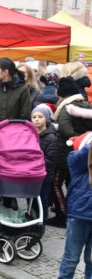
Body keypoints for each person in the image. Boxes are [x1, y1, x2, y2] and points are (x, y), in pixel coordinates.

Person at [56, 132, 92, 279]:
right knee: (71, 256)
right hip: (79, 214)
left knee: (91, 259)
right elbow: (77, 158)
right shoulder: (76, 160)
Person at [51, 76, 92, 226]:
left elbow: (65, 130)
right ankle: (73, 212)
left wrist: (76, 140)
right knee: (73, 183)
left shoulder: (66, 107)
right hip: (84, 152)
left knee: (55, 183)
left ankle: (63, 215)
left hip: (65, 151)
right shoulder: (86, 104)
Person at [0, 57, 32, 136]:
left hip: (15, 137)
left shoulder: (23, 90)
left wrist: (11, 133)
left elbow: (25, 117)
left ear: (5, 72)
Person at [31, 104, 59, 223]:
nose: (37, 119)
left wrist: (35, 163)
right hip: (32, 173)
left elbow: (50, 160)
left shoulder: (51, 138)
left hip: (44, 175)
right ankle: (32, 219)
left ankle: (42, 222)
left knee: (42, 199)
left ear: (47, 119)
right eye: (34, 117)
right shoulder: (30, 134)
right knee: (31, 199)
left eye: (40, 117)